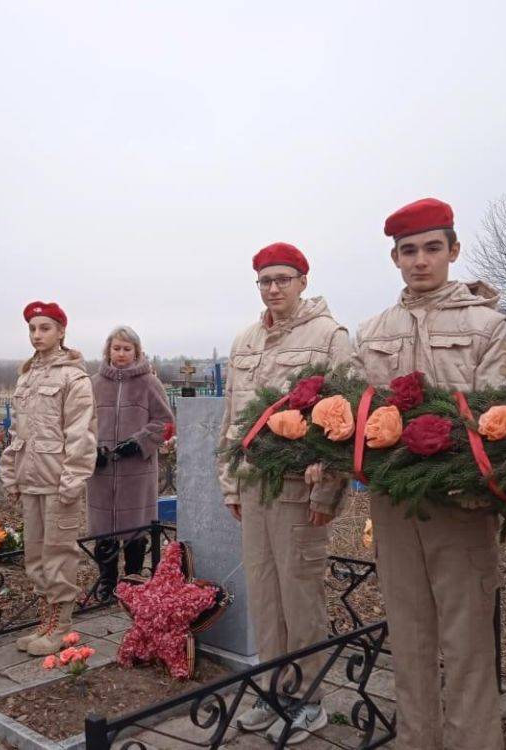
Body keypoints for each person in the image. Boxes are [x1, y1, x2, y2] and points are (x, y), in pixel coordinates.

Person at [351, 198, 506, 749]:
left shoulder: (487, 325)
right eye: (409, 251)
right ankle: (417, 739)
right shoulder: (373, 329)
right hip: (395, 503)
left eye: (432, 249)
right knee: (409, 634)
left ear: (454, 251)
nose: (421, 261)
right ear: (395, 257)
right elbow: (357, 412)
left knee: (467, 640)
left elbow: (494, 414)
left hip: (459, 502)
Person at [215, 242, 354, 745]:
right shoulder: (246, 340)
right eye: (265, 280)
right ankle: (273, 691)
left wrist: (327, 496)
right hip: (255, 487)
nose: (274, 289)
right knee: (266, 596)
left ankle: (309, 699)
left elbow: (345, 417)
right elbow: (234, 417)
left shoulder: (329, 337)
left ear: (303, 280)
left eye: (283, 279)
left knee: (300, 597)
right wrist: (230, 480)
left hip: (300, 490)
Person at [0, 301, 97, 656]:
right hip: (31, 481)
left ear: (61, 332)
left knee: (58, 554)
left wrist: (73, 481)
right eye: (32, 329)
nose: (37, 335)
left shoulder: (74, 377)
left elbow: (82, 434)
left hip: (59, 482)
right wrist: (11, 474)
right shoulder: (26, 376)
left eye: (45, 328)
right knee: (36, 555)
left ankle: (62, 627)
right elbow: (17, 434)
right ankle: (46, 623)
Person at [87, 325, 174, 598]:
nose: (121, 354)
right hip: (101, 469)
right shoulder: (94, 383)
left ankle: (133, 580)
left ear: (136, 352)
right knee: (103, 526)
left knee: (136, 525)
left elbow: (166, 422)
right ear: (108, 350)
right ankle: (107, 581)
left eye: (127, 349)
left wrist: (138, 442)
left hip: (136, 467)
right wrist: (91, 449)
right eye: (116, 348)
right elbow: (81, 422)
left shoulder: (149, 382)